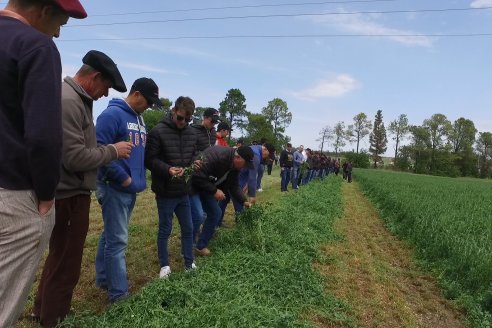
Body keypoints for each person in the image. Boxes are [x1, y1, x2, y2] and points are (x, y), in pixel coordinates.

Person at [0, 0, 87, 326]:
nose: (59, 34)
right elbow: (42, 136)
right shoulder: (36, 46)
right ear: (44, 10)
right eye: (60, 23)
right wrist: (47, 195)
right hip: (13, 192)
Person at [31, 51, 130, 327]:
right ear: (95, 77)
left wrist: (99, 150)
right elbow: (73, 157)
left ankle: (43, 310)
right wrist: (112, 150)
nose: (104, 94)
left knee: (60, 256)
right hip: (70, 194)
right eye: (106, 86)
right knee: (67, 262)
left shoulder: (75, 99)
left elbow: (78, 149)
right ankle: (55, 318)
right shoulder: (70, 101)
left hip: (69, 192)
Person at [95, 77, 161, 303]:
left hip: (130, 188)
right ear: (136, 94)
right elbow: (98, 151)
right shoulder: (111, 115)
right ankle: (119, 295)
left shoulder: (140, 119)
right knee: (118, 241)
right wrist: (122, 178)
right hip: (115, 187)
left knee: (110, 235)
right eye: (148, 101)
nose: (149, 106)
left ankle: (104, 278)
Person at [145, 96, 198, 279]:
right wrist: (168, 170)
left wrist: (193, 165)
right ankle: (165, 265)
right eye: (181, 118)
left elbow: (193, 155)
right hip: (165, 191)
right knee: (165, 229)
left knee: (188, 228)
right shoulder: (157, 131)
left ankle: (189, 262)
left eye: (188, 120)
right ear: (174, 111)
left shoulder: (192, 134)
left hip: (183, 191)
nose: (183, 123)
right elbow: (149, 160)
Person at [194, 146, 253, 256]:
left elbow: (234, 186)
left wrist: (243, 201)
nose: (244, 168)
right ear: (238, 157)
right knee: (198, 215)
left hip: (207, 187)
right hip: (193, 186)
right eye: (245, 164)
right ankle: (188, 245)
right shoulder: (218, 157)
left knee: (215, 213)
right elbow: (197, 175)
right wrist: (215, 190)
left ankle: (200, 246)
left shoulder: (235, 166)